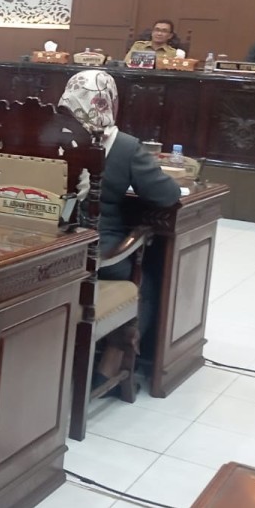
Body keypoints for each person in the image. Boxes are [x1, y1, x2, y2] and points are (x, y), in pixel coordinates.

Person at [58, 70, 180, 370]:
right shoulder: (124, 145)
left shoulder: (49, 135)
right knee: (147, 281)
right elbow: (166, 195)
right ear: (109, 102)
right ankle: (111, 365)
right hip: (101, 255)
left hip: (54, 248)